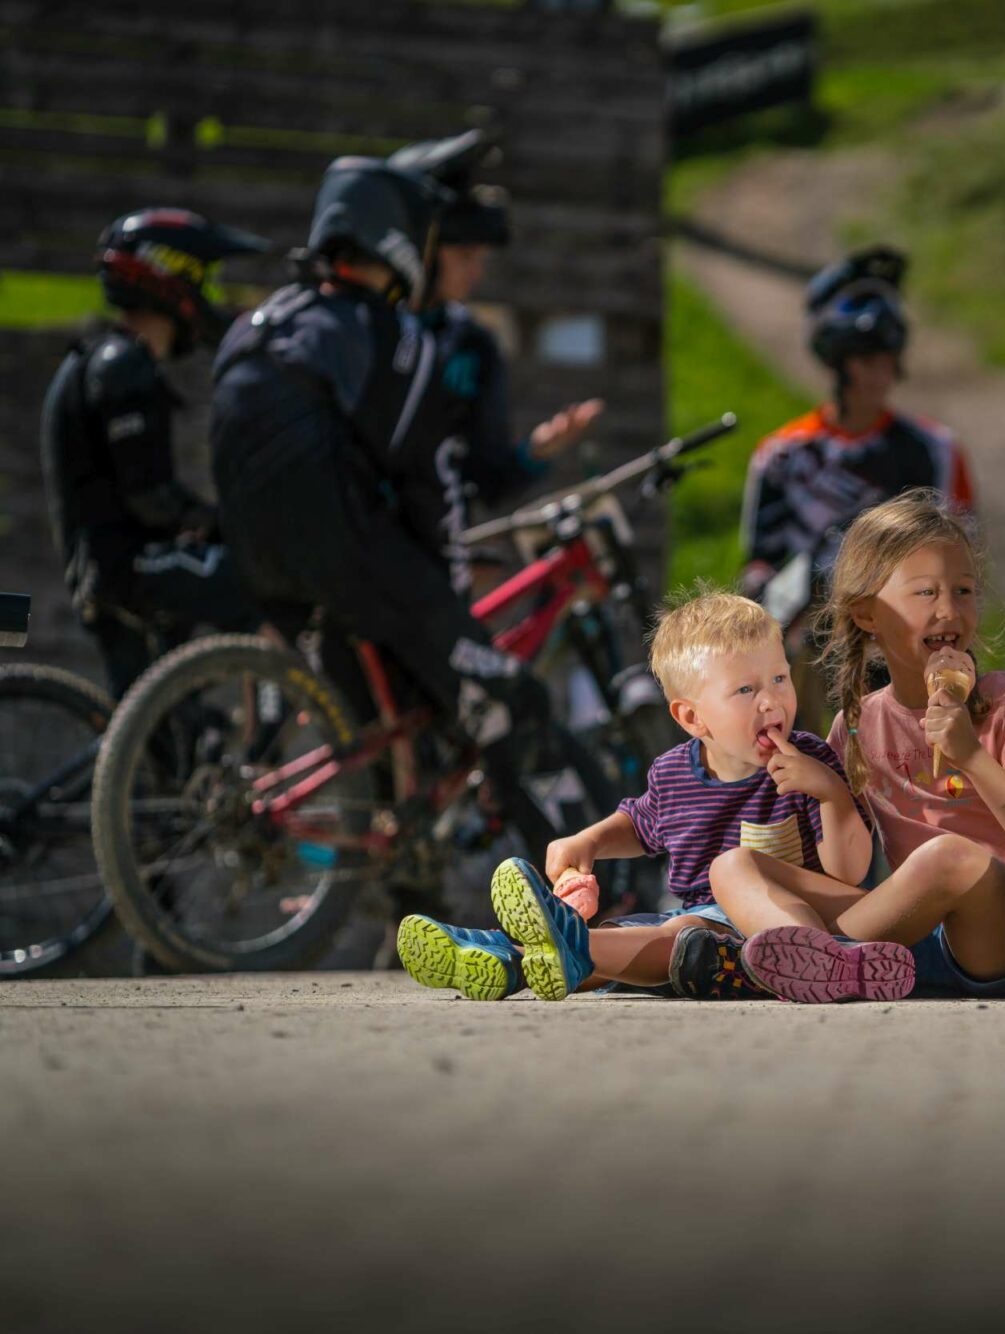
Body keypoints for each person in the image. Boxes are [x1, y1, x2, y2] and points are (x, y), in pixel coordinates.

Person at [209, 155, 560, 854]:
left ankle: (397, 865)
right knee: (513, 693)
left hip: (254, 555)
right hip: (340, 550)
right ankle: (579, 899)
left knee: (377, 718)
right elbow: (429, 482)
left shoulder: (260, 320)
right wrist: (450, 604)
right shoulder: (395, 336)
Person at [395, 591, 877, 1002]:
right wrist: (589, 842)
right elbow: (641, 824)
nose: (772, 700)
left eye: (779, 678)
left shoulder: (810, 761)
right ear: (692, 719)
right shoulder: (672, 775)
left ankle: (547, 947)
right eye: (746, 689)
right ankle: (507, 960)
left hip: (775, 935)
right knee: (624, 936)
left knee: (679, 935)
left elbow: (850, 874)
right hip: (700, 926)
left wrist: (830, 793)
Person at [706, 489, 1005, 1002]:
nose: (950, 611)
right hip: (906, 941)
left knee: (947, 858)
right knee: (735, 864)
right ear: (866, 615)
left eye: (964, 591)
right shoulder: (856, 725)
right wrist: (828, 794)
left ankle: (809, 961)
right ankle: (818, 959)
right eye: (925, 593)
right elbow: (845, 870)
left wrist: (971, 755)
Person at [739, 246, 973, 726]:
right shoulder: (782, 454)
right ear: (838, 365)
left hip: (907, 643)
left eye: (886, 359)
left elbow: (961, 557)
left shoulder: (933, 449)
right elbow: (758, 566)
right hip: (803, 644)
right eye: (864, 360)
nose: (877, 374)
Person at [39, 209, 268, 694]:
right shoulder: (123, 364)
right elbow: (151, 497)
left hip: (107, 572)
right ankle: (262, 749)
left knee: (161, 747)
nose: (210, 299)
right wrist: (219, 524)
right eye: (202, 282)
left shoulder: (101, 359)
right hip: (127, 570)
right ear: (167, 279)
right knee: (260, 585)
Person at [384, 130, 603, 595]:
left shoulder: (474, 347)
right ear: (422, 248)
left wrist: (538, 450)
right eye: (464, 255)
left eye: (480, 257)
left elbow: (489, 479)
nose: (476, 271)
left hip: (434, 554)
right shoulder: (367, 330)